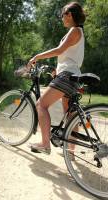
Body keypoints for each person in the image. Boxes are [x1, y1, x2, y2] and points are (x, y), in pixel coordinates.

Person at [27, 2, 86, 155]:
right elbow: (68, 57)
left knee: (41, 105)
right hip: (71, 76)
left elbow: (59, 50)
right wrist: (57, 71)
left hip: (67, 76)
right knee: (70, 113)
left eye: (63, 15)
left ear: (69, 15)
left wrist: (37, 56)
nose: (61, 18)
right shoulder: (77, 32)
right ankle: (70, 152)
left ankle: (45, 144)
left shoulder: (74, 30)